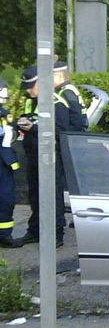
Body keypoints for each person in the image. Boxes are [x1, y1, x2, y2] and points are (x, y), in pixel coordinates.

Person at [17, 64, 71, 247]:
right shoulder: (31, 100)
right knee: (35, 195)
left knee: (52, 195)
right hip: (33, 154)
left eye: (31, 86)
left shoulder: (57, 102)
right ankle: (35, 231)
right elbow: (32, 117)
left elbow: (60, 132)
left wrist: (33, 128)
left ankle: (56, 234)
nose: (28, 91)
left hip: (50, 156)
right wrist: (23, 122)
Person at [0, 77, 22, 248]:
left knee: (6, 199)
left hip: (4, 165)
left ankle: (4, 236)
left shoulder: (3, 113)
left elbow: (11, 130)